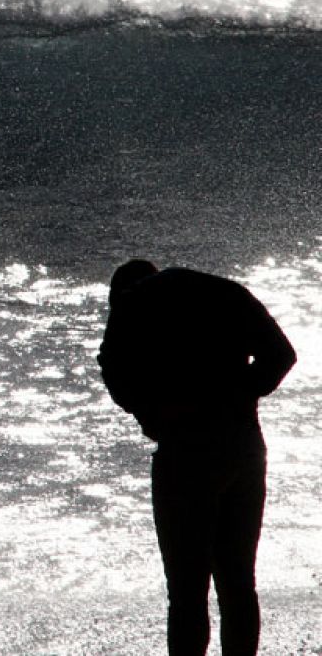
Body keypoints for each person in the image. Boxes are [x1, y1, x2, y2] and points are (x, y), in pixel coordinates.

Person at [98, 260, 296, 656]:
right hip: (244, 447)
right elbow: (282, 355)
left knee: (187, 592)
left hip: (185, 454)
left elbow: (111, 365)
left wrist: (149, 413)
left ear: (120, 294)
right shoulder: (226, 291)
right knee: (239, 582)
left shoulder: (134, 301)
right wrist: (236, 396)